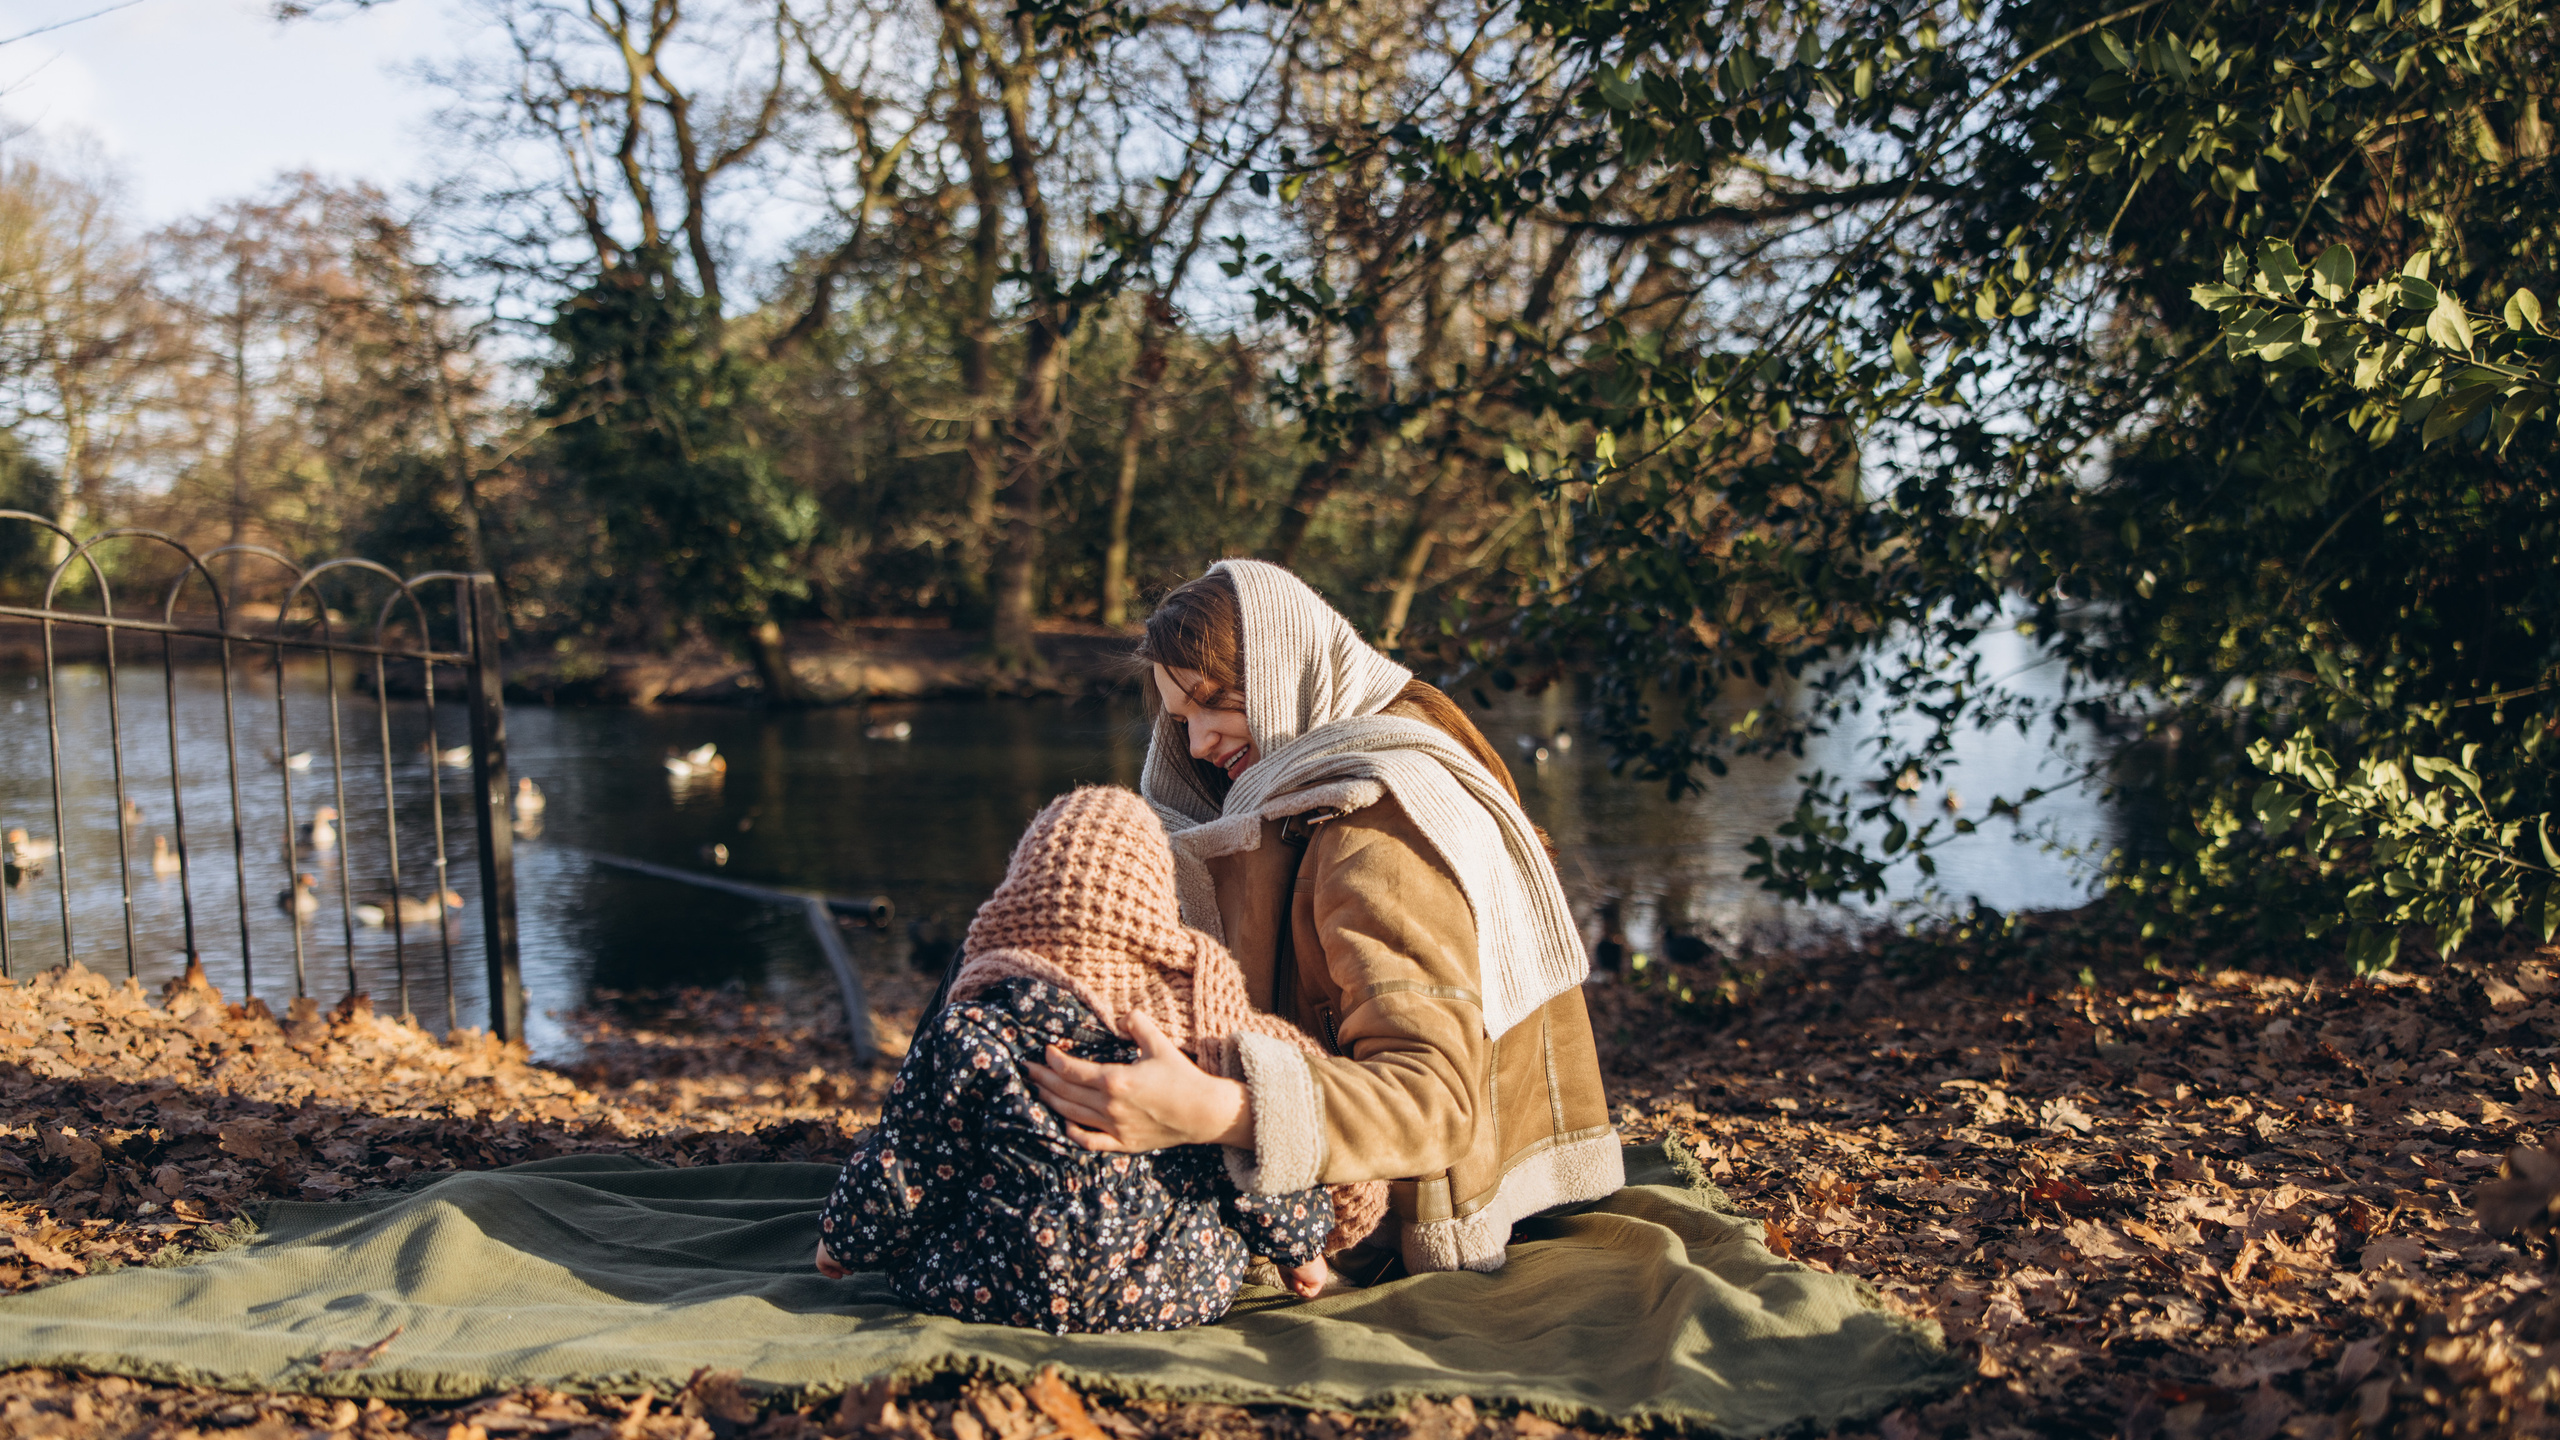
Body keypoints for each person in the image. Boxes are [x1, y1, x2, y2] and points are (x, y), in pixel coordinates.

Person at [1028, 559, 1620, 1276]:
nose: (1198, 745)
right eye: (1181, 721)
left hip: (1394, 1222)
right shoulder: (1315, 778)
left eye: (1214, 703)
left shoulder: (1375, 830)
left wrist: (1209, 1111)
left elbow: (1432, 1102)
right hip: (1325, 1187)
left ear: (1287, 673)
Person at [813, 785, 1386, 1332]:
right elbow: (1247, 1165)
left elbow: (909, 1165)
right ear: (1158, 907)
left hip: (990, 1289)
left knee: (934, 1215)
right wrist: (1301, 1251)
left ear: (1021, 897)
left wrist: (843, 1239)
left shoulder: (972, 1029)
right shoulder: (1198, 1038)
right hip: (1177, 1291)